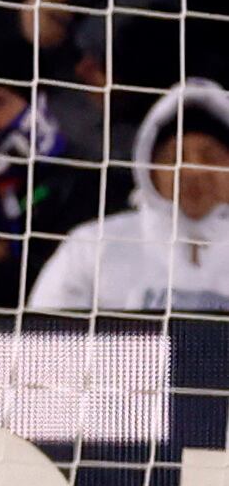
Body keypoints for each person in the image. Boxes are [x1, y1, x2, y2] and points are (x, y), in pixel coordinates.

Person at [27, 80, 229, 314]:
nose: (193, 171)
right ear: (149, 168)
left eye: (211, 157)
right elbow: (44, 340)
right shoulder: (91, 247)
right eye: (174, 157)